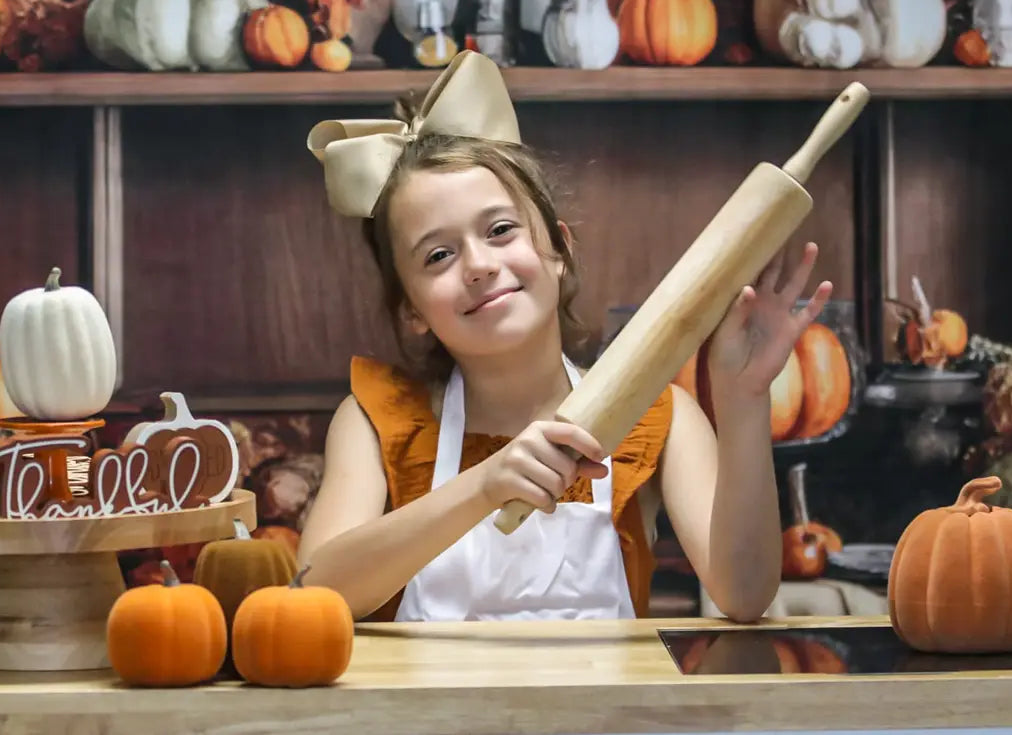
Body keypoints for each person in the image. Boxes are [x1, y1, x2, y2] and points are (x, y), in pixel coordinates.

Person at [296, 50, 832, 625]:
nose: (478, 264)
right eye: (438, 255)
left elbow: (746, 595)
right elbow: (315, 595)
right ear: (412, 311)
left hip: (606, 719)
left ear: (559, 250)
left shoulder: (658, 416)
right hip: (437, 719)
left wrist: (745, 400)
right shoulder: (376, 421)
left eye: (501, 230)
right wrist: (484, 487)